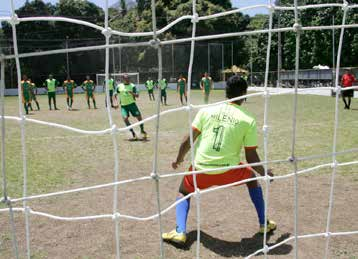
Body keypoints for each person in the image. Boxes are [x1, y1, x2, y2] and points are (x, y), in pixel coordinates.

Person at [162, 75, 276, 244]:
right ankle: (263, 224)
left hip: (201, 169)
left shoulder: (206, 110)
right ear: (244, 94)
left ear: (226, 92)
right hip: (229, 171)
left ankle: (180, 231)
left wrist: (178, 159)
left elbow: (188, 140)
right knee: (252, 179)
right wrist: (264, 172)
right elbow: (250, 157)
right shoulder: (248, 119)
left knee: (184, 191)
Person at [114, 74, 147, 140]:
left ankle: (142, 130)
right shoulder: (119, 86)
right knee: (125, 119)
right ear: (123, 79)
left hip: (132, 105)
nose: (127, 80)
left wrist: (132, 93)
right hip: (124, 106)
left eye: (128, 78)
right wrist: (116, 103)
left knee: (139, 118)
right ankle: (133, 133)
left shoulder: (132, 86)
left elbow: (137, 95)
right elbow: (115, 94)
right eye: (126, 78)